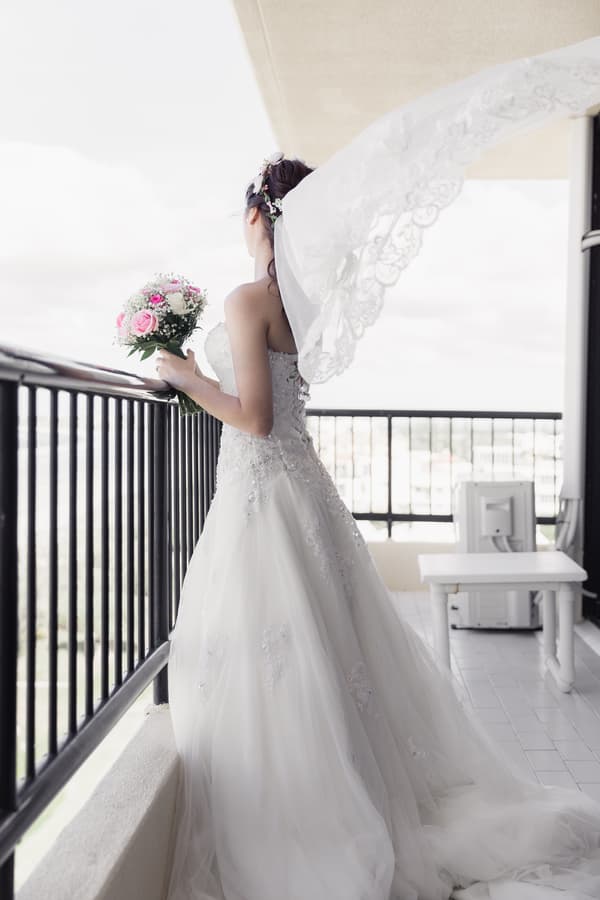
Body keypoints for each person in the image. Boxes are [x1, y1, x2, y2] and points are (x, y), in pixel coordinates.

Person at [156, 37, 600, 900]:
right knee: (328, 650)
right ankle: (357, 795)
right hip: (302, 488)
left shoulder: (250, 299)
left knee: (283, 657)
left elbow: (252, 417)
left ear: (260, 216)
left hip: (264, 495)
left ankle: (310, 820)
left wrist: (182, 374)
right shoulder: (304, 307)